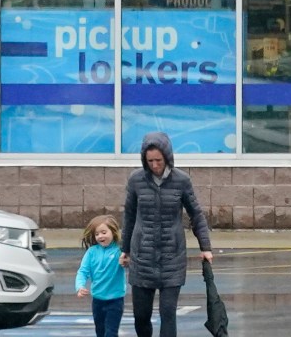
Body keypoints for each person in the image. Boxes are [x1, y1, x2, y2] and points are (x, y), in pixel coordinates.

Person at [121, 132, 213, 337]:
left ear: (168, 157)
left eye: (159, 160)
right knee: (141, 316)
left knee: (168, 313)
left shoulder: (181, 180)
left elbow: (196, 214)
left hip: (172, 257)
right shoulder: (136, 180)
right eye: (150, 161)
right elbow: (128, 215)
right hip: (142, 257)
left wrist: (205, 247)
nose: (155, 165)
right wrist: (125, 249)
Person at [75, 213, 126, 337]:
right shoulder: (91, 252)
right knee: (100, 332)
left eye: (104, 232)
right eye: (97, 234)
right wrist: (80, 286)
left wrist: (126, 260)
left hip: (115, 301)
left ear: (113, 232)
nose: (100, 236)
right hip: (97, 301)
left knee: (111, 333)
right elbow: (83, 271)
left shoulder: (119, 251)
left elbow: (131, 263)